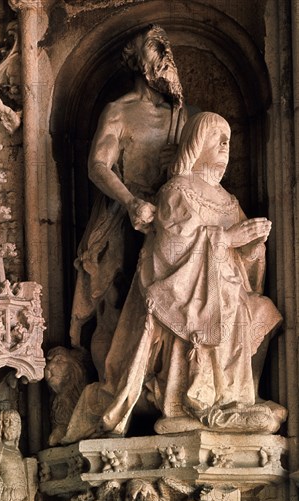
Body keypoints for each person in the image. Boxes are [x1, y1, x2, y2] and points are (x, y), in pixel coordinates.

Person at [63, 112, 286, 443]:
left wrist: (253, 248)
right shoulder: (178, 190)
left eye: (229, 139)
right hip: (184, 296)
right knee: (224, 313)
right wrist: (227, 239)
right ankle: (196, 407)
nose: (226, 145)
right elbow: (169, 251)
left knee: (263, 310)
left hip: (225, 288)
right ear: (197, 144)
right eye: (218, 138)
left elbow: (246, 264)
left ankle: (242, 397)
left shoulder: (229, 201)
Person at [70, 24, 188, 376]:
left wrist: (182, 164)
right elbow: (98, 166)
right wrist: (131, 201)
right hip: (123, 213)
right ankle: (112, 387)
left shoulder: (182, 115)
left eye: (167, 63)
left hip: (169, 216)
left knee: (174, 305)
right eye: (157, 63)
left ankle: (165, 384)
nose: (164, 71)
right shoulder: (118, 112)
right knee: (116, 304)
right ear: (141, 66)